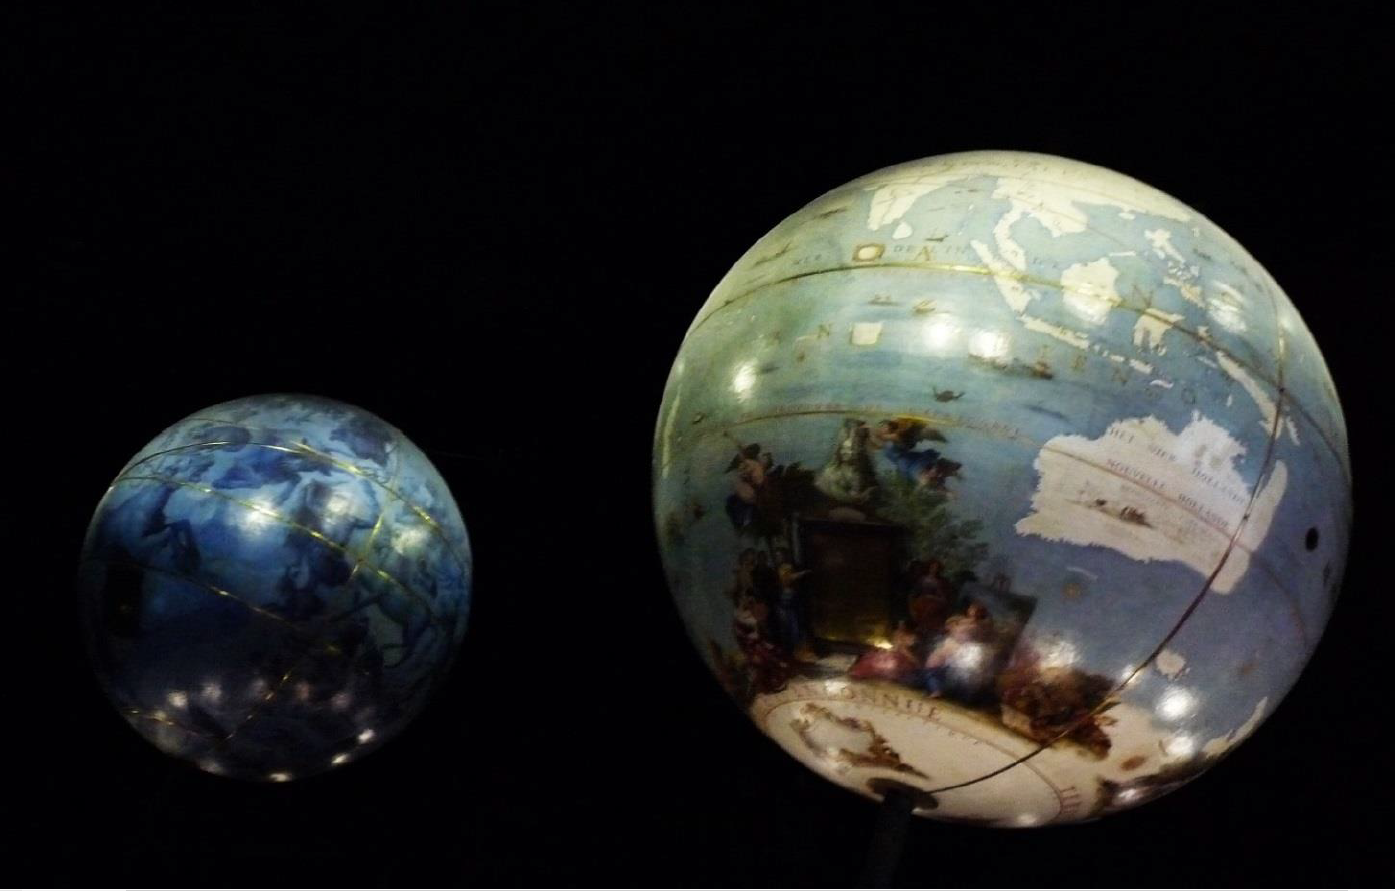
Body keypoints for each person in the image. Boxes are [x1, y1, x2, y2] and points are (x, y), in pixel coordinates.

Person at [921, 603, 997, 700]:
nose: (970, 610)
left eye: (973, 609)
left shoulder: (975, 627)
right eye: (971, 609)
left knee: (937, 671)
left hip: (965, 656)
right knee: (934, 670)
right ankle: (938, 688)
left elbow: (961, 635)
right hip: (958, 655)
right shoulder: (965, 624)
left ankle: (938, 690)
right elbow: (952, 628)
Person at [848, 622, 921, 683]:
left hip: (900, 663)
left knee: (885, 663)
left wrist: (903, 650)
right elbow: (895, 647)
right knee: (875, 659)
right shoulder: (898, 637)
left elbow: (914, 661)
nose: (898, 635)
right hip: (893, 657)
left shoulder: (911, 646)